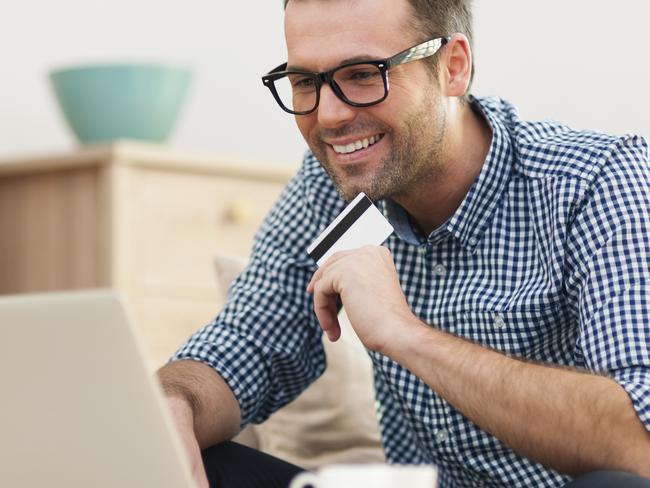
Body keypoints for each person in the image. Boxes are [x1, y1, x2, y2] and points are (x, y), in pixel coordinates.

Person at [157, 0, 650, 486]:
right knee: (191, 455)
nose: (328, 116)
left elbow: (640, 442)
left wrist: (404, 333)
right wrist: (172, 403)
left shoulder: (598, 181)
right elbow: (248, 343)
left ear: (453, 67)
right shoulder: (334, 184)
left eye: (364, 73)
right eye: (306, 82)